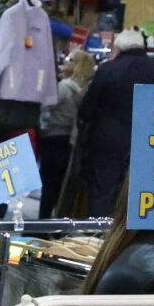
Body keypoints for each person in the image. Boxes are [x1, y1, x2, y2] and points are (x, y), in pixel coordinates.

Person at [76, 30, 154, 217]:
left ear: (118, 48)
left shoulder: (107, 69)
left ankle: (99, 238)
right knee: (141, 195)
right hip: (150, 143)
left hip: (109, 143)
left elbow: (87, 110)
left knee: (104, 194)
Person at [40, 49, 95, 218]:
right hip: (69, 138)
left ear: (76, 65)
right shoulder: (84, 89)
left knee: (48, 181)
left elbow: (47, 107)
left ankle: (42, 219)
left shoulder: (63, 86)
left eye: (70, 59)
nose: (65, 62)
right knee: (59, 183)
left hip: (53, 135)